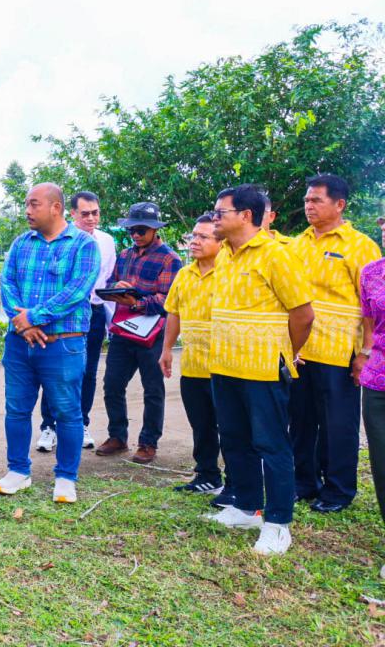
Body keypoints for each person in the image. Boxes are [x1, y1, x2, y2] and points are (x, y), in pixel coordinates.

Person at [206, 184, 313, 555]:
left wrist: (288, 352)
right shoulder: (224, 253)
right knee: (234, 437)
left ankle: (278, 523)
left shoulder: (276, 255)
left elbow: (303, 313)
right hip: (224, 364)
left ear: (246, 215)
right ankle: (246, 506)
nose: (215, 219)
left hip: (263, 368)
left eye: (220, 212)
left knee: (271, 443)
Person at [0, 184, 99, 503]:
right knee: (16, 409)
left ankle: (66, 477)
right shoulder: (21, 243)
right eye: (26, 204)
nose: (27, 210)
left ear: (55, 208)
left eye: (34, 204)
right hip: (20, 345)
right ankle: (18, 471)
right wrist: (23, 324)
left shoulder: (83, 244)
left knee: (67, 412)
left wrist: (33, 317)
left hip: (63, 345)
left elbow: (77, 291)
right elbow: (7, 283)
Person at [288, 174, 380, 513]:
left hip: (339, 352)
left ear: (339, 204)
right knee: (301, 422)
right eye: (307, 200)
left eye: (316, 200)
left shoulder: (360, 246)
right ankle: (304, 482)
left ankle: (339, 490)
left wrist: (365, 352)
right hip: (300, 350)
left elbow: (372, 305)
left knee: (337, 425)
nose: (308, 206)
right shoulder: (297, 243)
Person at [95, 202, 182, 464]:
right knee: (112, 385)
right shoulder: (125, 255)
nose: (135, 234)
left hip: (153, 335)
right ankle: (117, 436)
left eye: (141, 230)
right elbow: (110, 282)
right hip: (123, 331)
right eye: (132, 230)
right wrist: (116, 287)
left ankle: (148, 442)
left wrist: (135, 301)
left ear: (155, 230)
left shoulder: (170, 259)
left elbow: (168, 300)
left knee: (152, 390)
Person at [36, 191, 115, 453]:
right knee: (54, 370)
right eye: (85, 213)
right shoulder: (60, 239)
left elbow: (107, 281)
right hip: (64, 314)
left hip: (94, 313)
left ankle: (82, 422)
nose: (91, 218)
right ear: (72, 213)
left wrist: (111, 322)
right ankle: (49, 426)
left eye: (95, 213)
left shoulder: (107, 242)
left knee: (87, 371)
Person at [160, 213, 226, 495]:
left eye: (203, 237)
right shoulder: (184, 274)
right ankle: (207, 475)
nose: (194, 242)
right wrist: (166, 349)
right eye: (193, 236)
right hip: (193, 365)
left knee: (231, 428)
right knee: (201, 425)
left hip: (225, 368)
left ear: (222, 242)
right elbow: (173, 313)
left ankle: (238, 481)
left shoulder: (230, 273)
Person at [355, 214, 385, 574]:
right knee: (382, 459)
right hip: (379, 378)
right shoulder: (372, 272)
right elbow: (369, 321)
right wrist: (363, 354)